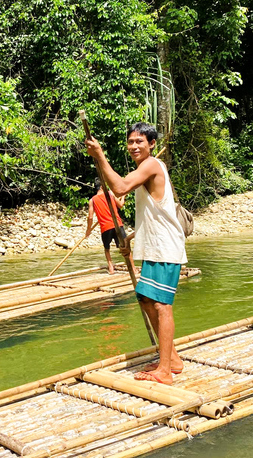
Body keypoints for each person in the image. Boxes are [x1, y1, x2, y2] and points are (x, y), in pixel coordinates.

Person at [85, 122, 187, 385]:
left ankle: (165, 371)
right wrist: (130, 237)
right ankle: (172, 359)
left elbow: (119, 188)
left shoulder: (152, 165)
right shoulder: (143, 169)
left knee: (162, 305)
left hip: (165, 248)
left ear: (151, 144)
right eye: (130, 142)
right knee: (144, 298)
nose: (134, 146)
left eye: (139, 142)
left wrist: (100, 156)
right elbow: (153, 215)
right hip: (153, 246)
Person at [86, 182, 127, 274]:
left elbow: (90, 217)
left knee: (107, 249)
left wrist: (88, 230)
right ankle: (132, 267)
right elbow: (120, 204)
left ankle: (111, 268)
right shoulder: (110, 194)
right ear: (101, 187)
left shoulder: (92, 200)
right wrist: (123, 196)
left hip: (105, 227)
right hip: (117, 224)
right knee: (125, 246)